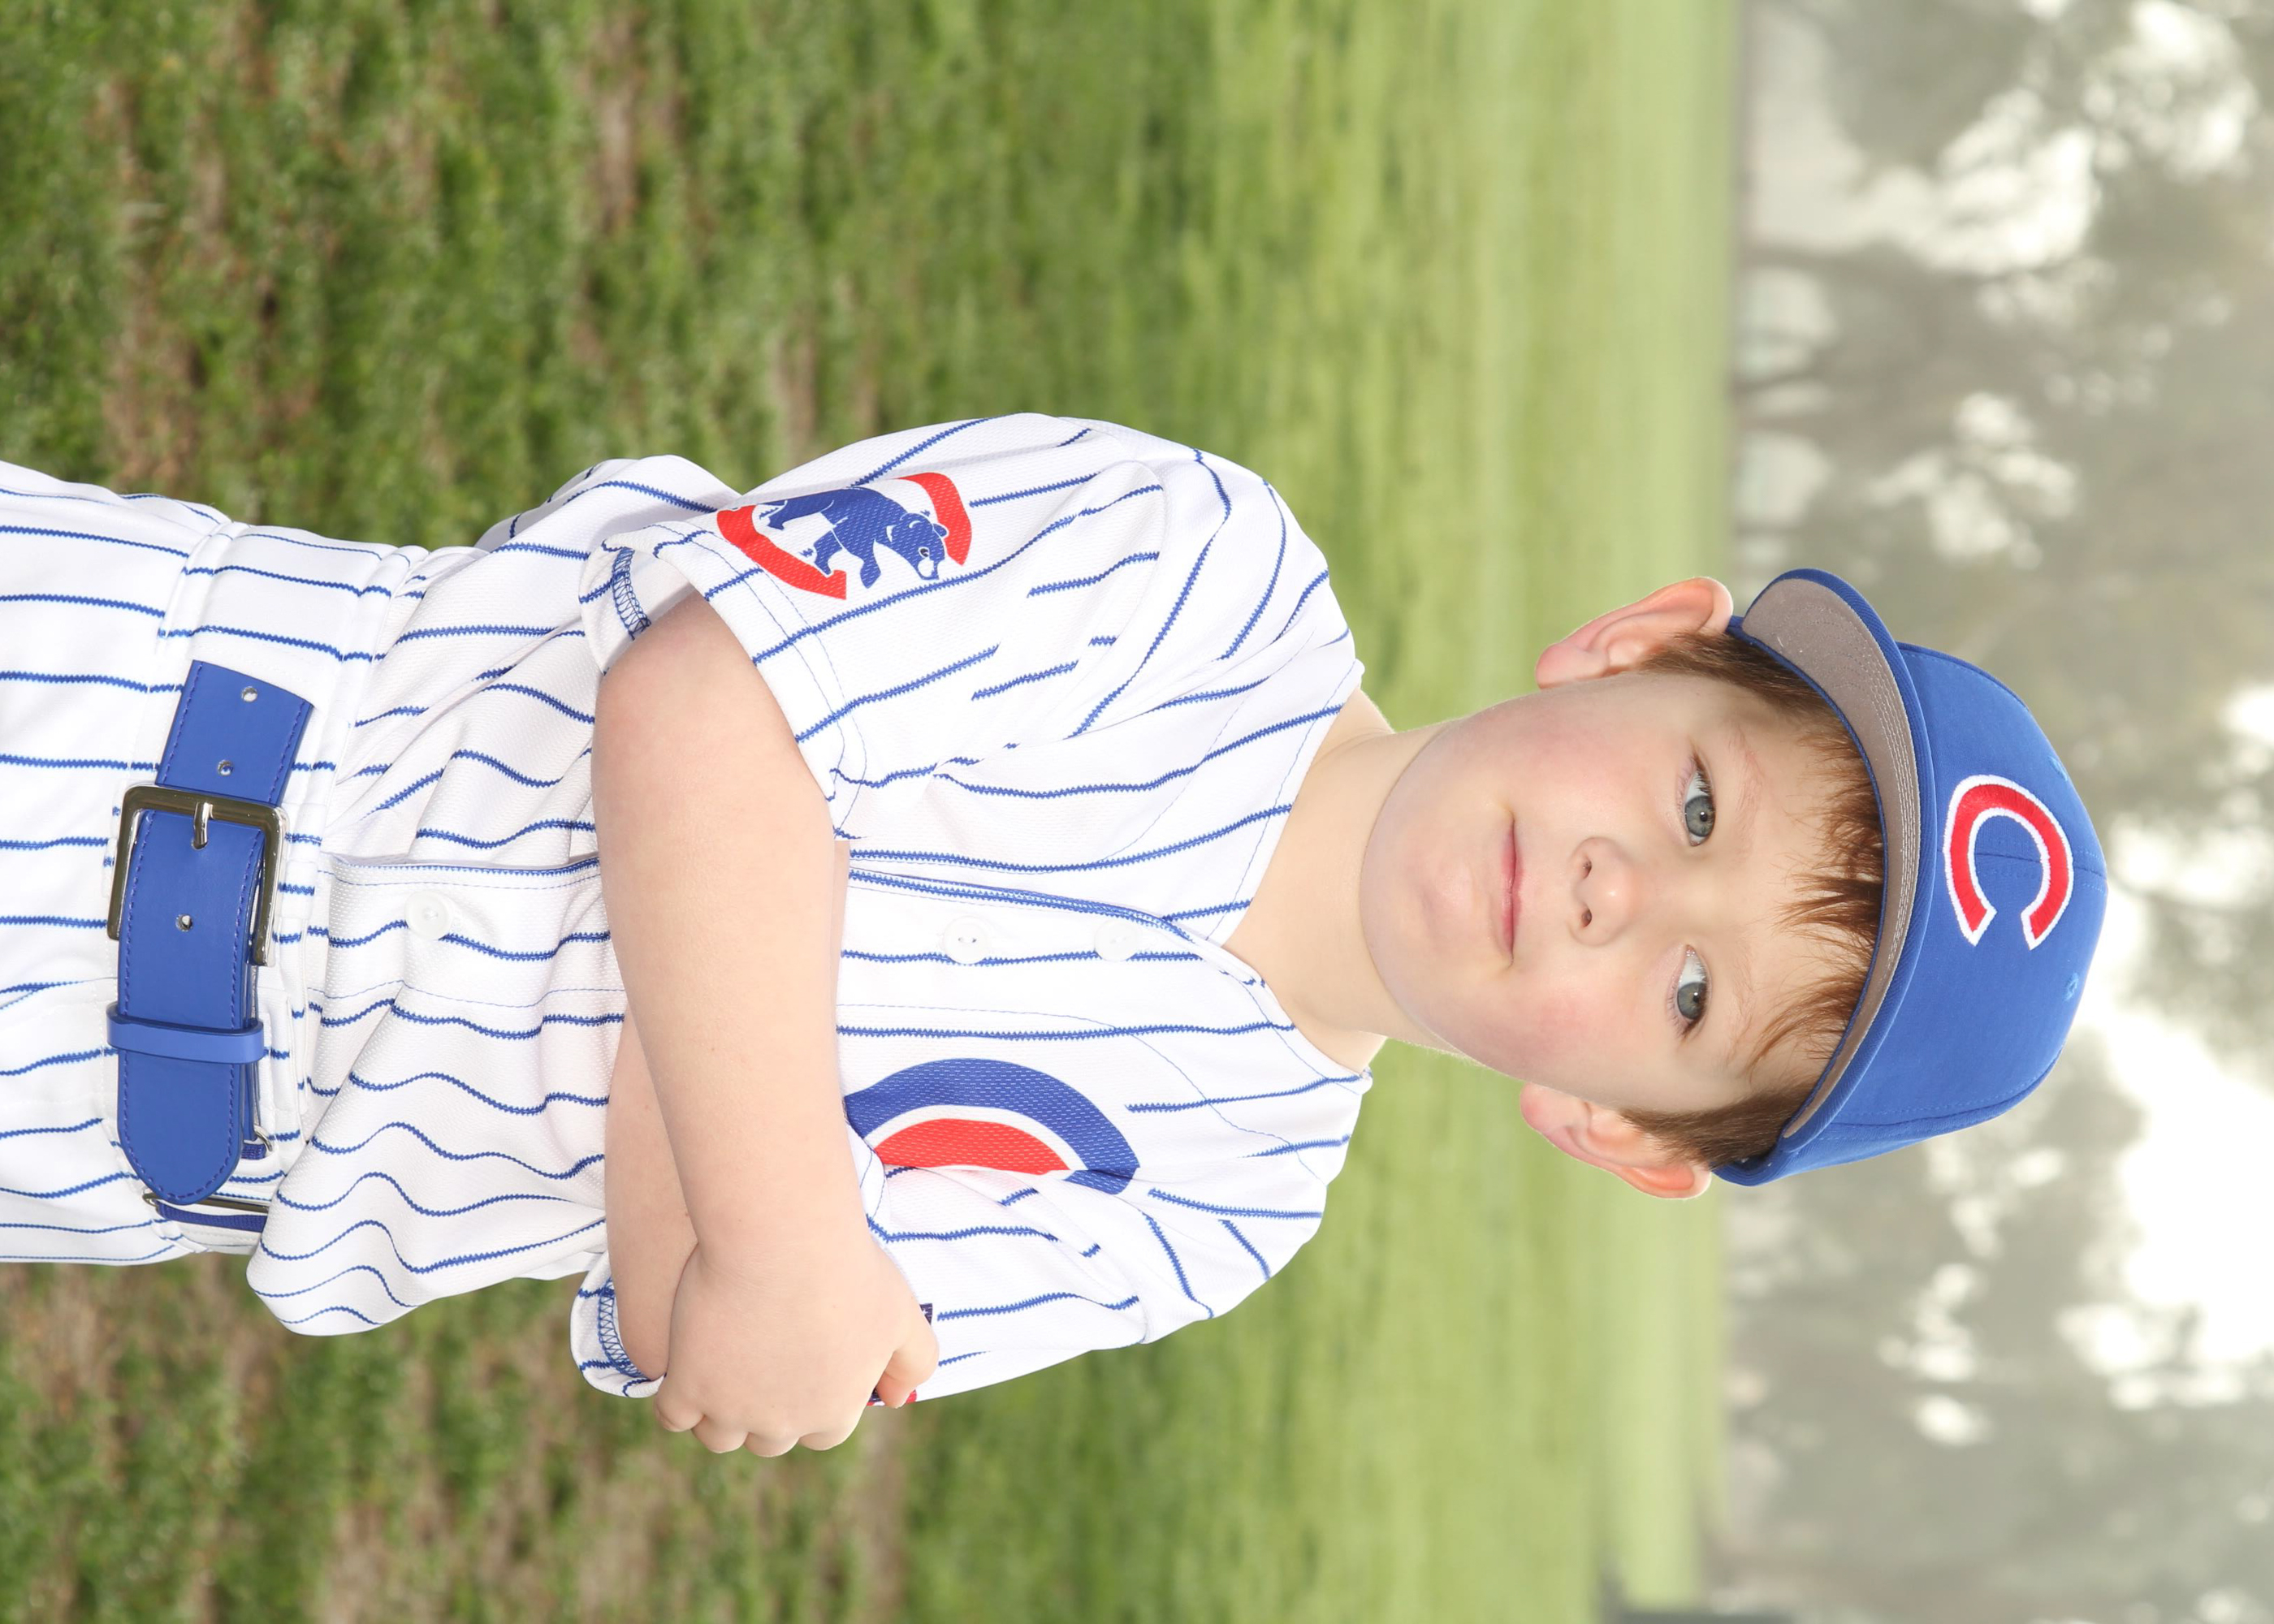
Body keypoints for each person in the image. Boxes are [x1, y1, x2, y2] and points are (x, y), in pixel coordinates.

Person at [0, 414, 2105, 1458]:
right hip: (123, 701)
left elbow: (721, 1325)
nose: (1616, 890)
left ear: (1621, 1130)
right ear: (1640, 645)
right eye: (1701, 804)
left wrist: (763, 1149)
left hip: (114, 1135)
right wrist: (781, 1183)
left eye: (1691, 995)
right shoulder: (1196, 571)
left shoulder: (1217, 1203)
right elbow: (693, 708)